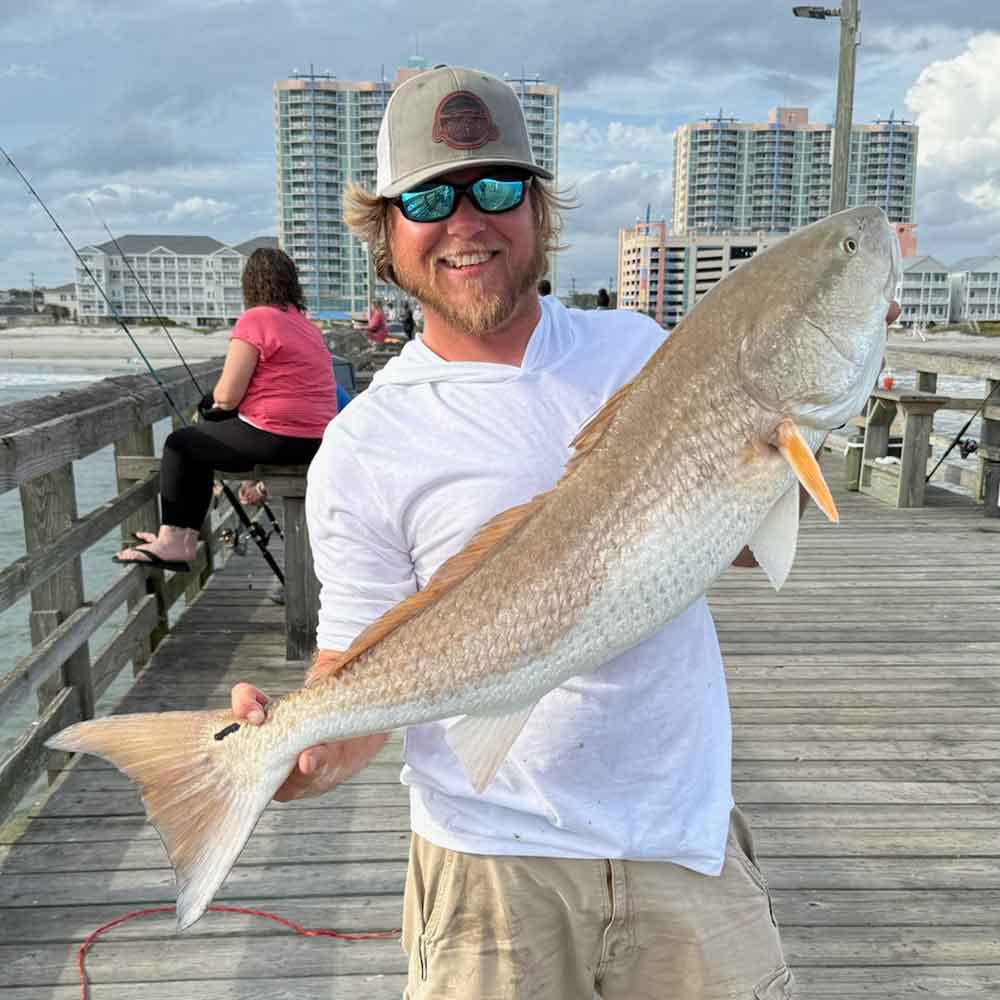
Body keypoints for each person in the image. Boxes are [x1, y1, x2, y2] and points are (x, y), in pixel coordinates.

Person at [231, 65, 900, 999]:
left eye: (497, 186)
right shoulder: (363, 444)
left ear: (541, 211)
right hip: (486, 867)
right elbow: (351, 665)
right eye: (429, 197)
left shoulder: (637, 350)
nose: (467, 220)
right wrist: (295, 750)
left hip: (681, 839)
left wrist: (814, 416)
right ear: (386, 232)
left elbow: (736, 542)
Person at [114, 248, 337, 572]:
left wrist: (213, 402)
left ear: (250, 284)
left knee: (181, 445)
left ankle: (176, 541)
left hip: (275, 437)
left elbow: (228, 396)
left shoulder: (256, 319)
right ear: (291, 284)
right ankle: (180, 538)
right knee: (205, 444)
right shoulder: (306, 327)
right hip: (316, 440)